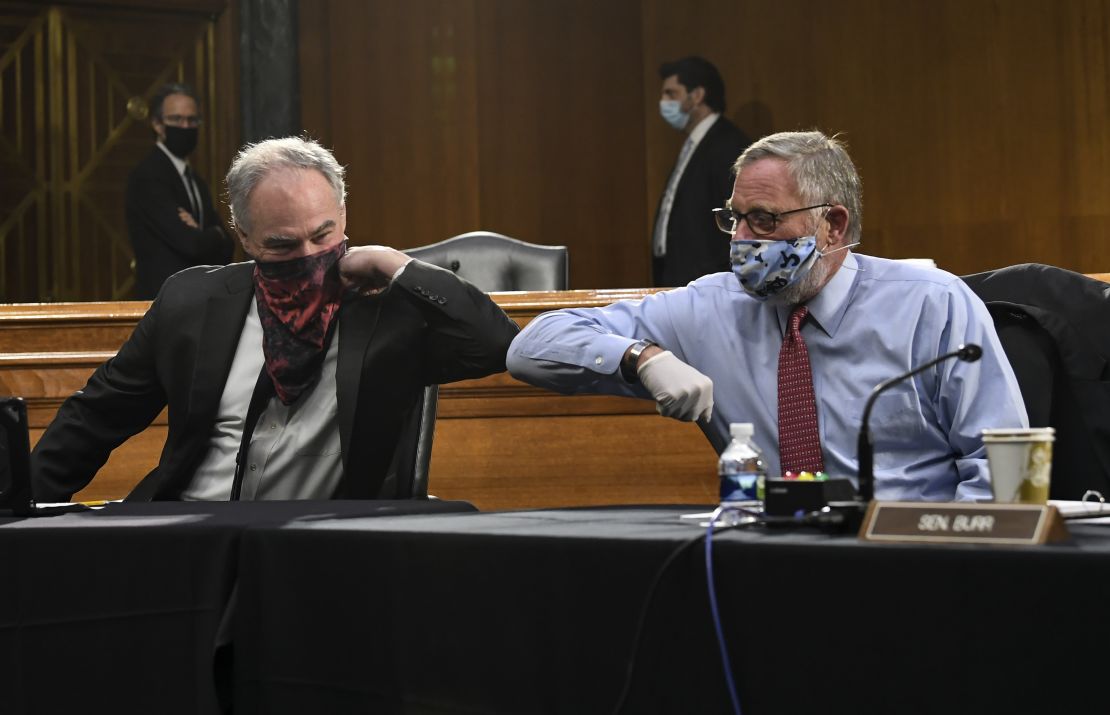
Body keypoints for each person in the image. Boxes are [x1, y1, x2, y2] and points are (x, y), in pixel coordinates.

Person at [508, 130, 1028, 501]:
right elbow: (530, 348)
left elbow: (1004, 470)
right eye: (734, 219)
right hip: (774, 564)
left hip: (911, 560)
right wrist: (640, 356)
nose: (740, 240)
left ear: (833, 226)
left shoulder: (931, 303)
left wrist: (956, 563)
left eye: (764, 220)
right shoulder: (711, 305)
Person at [33, 137, 520, 502]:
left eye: (322, 235)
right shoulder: (192, 300)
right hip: (191, 533)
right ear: (244, 237)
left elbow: (496, 344)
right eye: (283, 246)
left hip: (317, 556)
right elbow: (97, 416)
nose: (309, 258)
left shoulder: (391, 310)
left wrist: (397, 264)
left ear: (344, 217)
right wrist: (19, 511)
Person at [126, 82, 234, 299]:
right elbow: (191, 245)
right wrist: (213, 234)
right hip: (163, 302)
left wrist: (208, 234)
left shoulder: (196, 181)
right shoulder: (149, 176)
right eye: (176, 119)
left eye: (192, 120)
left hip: (197, 299)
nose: (185, 127)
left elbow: (228, 248)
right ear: (158, 124)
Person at [652, 56, 751, 287]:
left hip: (709, 283)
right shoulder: (695, 143)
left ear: (696, 95)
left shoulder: (727, 144)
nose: (663, 102)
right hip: (682, 278)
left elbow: (734, 216)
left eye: (671, 94)